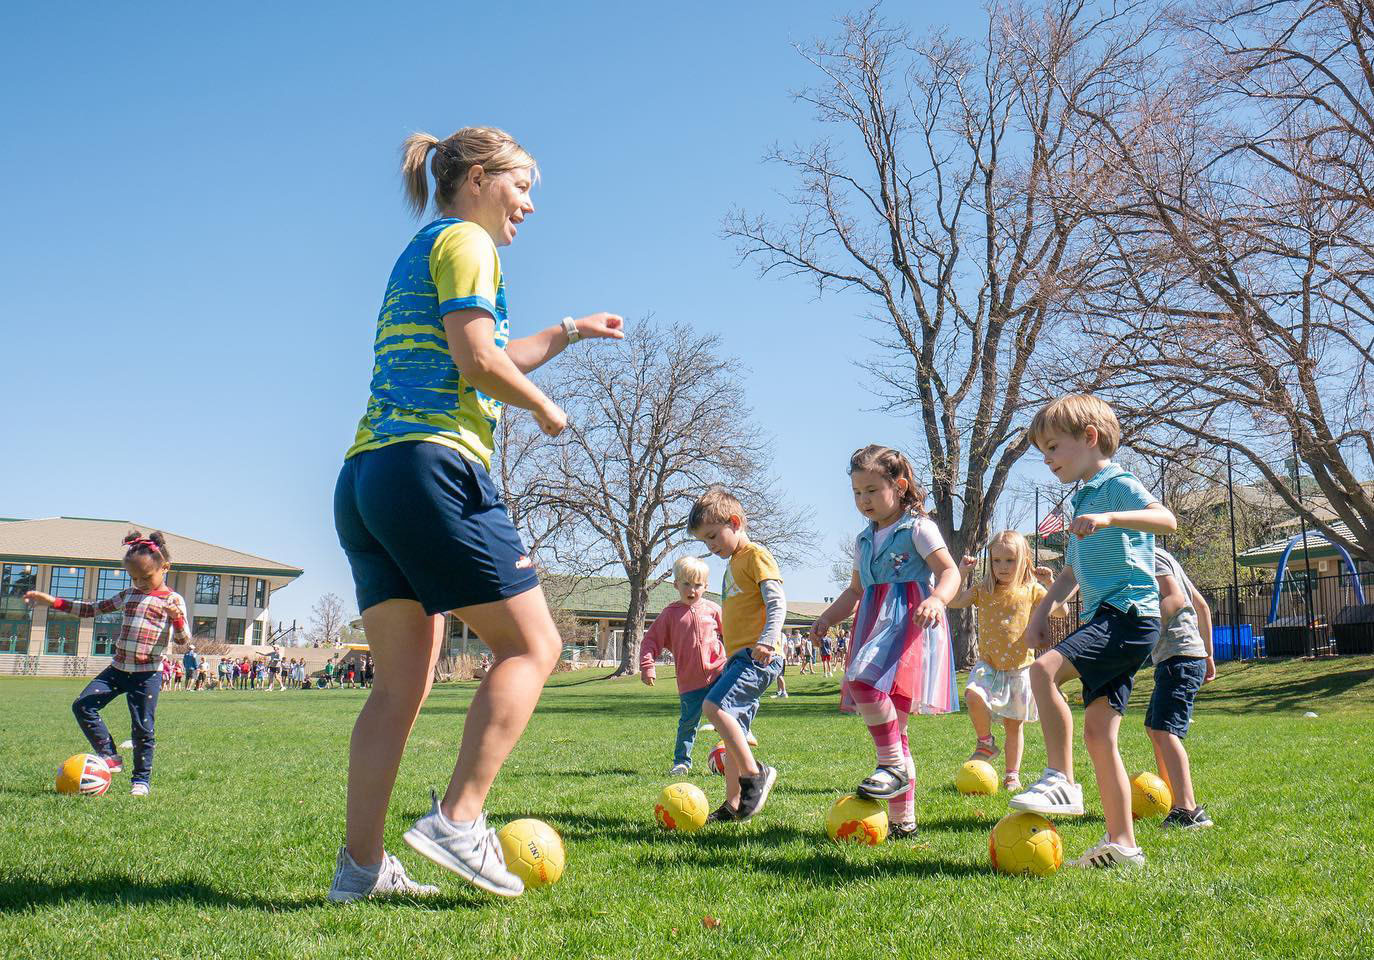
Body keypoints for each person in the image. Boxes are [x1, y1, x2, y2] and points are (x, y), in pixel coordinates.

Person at [329, 125, 624, 902]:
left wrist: (566, 333)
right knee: (535, 646)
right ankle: (460, 820)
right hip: (433, 467)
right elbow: (478, 361)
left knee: (400, 688)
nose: (527, 206)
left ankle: (359, 873)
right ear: (478, 179)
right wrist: (547, 410)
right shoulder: (468, 240)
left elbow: (485, 344)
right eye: (521, 186)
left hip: (369, 478)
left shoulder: (426, 245)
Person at [1012, 394, 1178, 869]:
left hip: (1127, 615)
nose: (1046, 460)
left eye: (1053, 448)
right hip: (1110, 617)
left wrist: (1110, 517)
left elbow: (1166, 519)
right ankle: (1123, 844)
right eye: (1042, 451)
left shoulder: (1116, 483)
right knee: (1100, 735)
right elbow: (1073, 569)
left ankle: (1060, 777)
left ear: (1089, 439)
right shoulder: (1082, 497)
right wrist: (1043, 610)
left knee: (1043, 672)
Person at [809, 445, 961, 839]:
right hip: (873, 623)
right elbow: (855, 590)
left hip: (908, 623)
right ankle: (902, 822)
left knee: (861, 680)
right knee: (897, 728)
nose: (864, 500)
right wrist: (827, 617)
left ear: (900, 486)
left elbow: (950, 572)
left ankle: (891, 766)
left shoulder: (917, 529)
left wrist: (937, 598)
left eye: (873, 490)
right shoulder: (863, 540)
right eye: (857, 493)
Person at [24, 531, 191, 796]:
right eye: (134, 577)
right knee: (83, 706)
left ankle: (141, 781)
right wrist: (51, 601)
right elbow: (90, 609)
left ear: (165, 568)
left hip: (147, 674)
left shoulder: (173, 601)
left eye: (146, 577)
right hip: (117, 669)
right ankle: (109, 755)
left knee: (143, 728)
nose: (140, 583)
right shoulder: (129, 594)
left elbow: (183, 641)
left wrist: (177, 619)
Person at [690, 487, 785, 824]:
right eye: (705, 541)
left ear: (735, 522)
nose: (711, 545)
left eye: (714, 536)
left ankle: (754, 774)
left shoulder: (755, 555)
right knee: (734, 733)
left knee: (713, 707)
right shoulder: (732, 564)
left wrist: (768, 640)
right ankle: (735, 804)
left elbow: (776, 602)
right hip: (739, 657)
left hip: (758, 655)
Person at [949, 531, 1069, 791]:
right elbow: (954, 601)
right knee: (972, 694)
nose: (1002, 567)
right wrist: (961, 572)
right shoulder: (983, 590)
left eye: (1010, 561)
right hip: (988, 663)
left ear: (1024, 560)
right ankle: (985, 741)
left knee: (1013, 726)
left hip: (1020, 667)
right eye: (996, 561)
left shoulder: (1032, 589)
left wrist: (1051, 583)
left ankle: (1012, 774)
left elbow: (1062, 611)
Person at [1147, 547, 1216, 829]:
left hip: (1180, 657)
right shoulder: (1170, 558)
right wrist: (1209, 656)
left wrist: (1147, 625)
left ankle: (1188, 809)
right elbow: (1202, 607)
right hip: (1181, 657)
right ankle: (1170, 798)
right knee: (1154, 727)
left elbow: (1175, 598)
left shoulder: (1152, 557)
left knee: (1165, 730)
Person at [640, 556, 727, 775]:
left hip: (719, 672)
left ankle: (733, 751)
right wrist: (648, 666)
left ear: (706, 586)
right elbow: (650, 641)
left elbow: (733, 634)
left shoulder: (714, 610)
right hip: (690, 682)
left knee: (730, 711)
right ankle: (682, 762)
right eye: (686, 584)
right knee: (688, 724)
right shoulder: (670, 615)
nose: (692, 590)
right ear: (676, 584)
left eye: (698, 585)